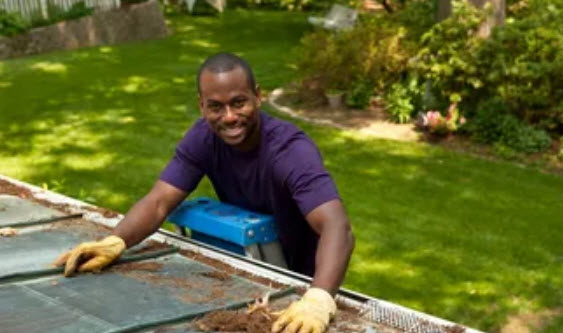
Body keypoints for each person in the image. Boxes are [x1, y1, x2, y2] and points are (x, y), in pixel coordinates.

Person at [53, 52, 355, 333]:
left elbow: (337, 226)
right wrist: (115, 240)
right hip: (251, 272)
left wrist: (318, 298)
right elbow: (159, 201)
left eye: (239, 103)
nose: (229, 117)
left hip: (302, 283)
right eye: (216, 107)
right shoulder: (203, 139)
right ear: (201, 106)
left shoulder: (290, 151)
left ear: (258, 96)